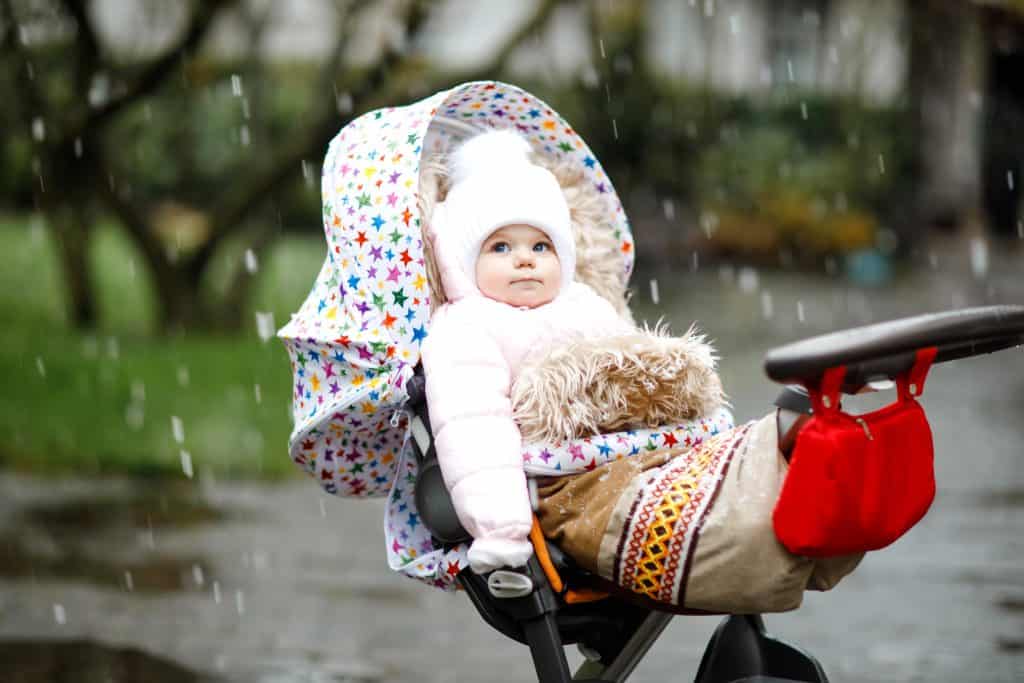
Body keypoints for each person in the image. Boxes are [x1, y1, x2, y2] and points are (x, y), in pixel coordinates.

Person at [421, 128, 637, 574]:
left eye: (541, 246)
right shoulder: (466, 328)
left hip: (624, 463)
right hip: (550, 490)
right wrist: (501, 529)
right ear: (465, 261)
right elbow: (475, 429)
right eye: (501, 247)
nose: (525, 259)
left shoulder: (587, 306)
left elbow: (637, 373)